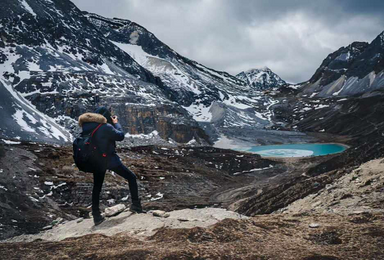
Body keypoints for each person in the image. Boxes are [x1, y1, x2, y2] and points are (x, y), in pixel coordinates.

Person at [78, 106, 143, 225]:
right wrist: (116, 123)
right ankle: (136, 205)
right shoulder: (105, 126)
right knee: (131, 177)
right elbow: (120, 136)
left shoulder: (87, 127)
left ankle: (96, 216)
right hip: (109, 160)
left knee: (97, 187)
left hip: (96, 161)